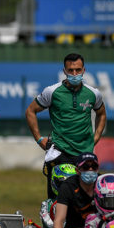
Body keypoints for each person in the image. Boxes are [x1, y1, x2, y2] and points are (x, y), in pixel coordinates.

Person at [25, 53, 106, 198]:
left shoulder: (94, 94)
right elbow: (31, 111)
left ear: (84, 70)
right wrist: (38, 138)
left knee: (87, 198)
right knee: (58, 198)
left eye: (78, 70)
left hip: (85, 153)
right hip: (60, 151)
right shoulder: (52, 92)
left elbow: (102, 114)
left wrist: (96, 137)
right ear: (64, 71)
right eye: (70, 70)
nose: (74, 74)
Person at [51, 152, 103, 228]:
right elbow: (59, 220)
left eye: (94, 167)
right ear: (77, 170)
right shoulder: (67, 187)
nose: (90, 170)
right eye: (86, 167)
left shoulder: (104, 183)